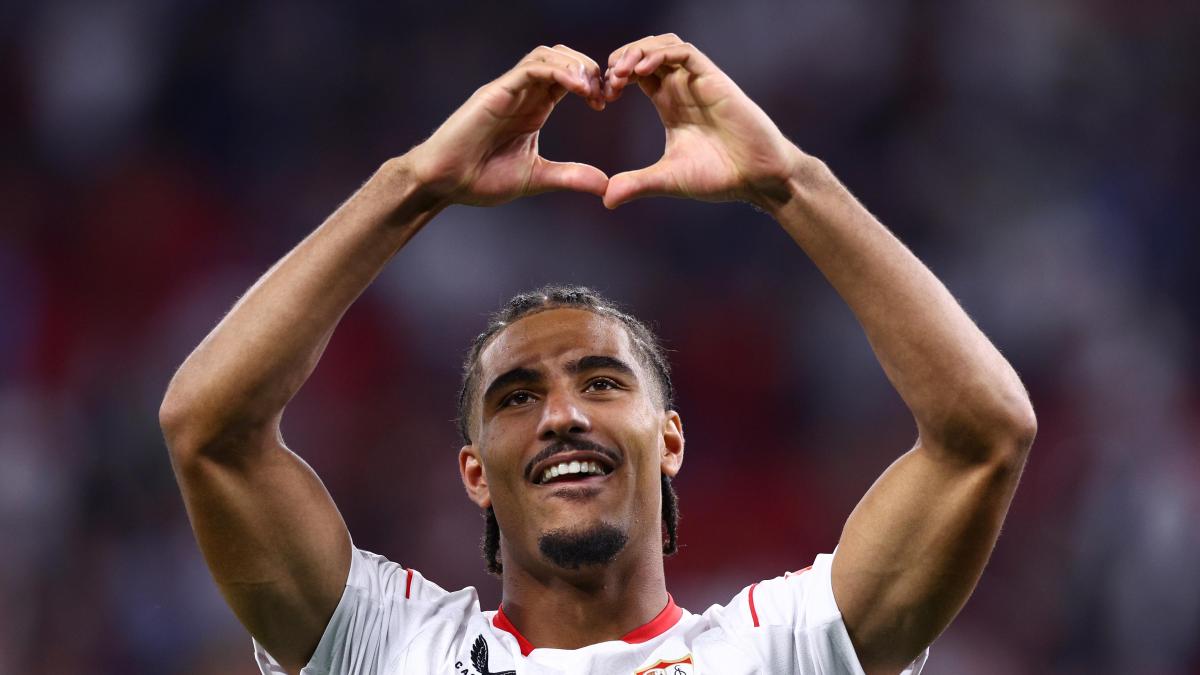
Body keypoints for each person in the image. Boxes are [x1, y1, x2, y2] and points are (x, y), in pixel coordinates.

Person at [160, 34, 1036, 675]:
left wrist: (790, 183)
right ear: (472, 471)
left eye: (603, 381)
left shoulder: (782, 651)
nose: (563, 414)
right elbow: (208, 428)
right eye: (515, 396)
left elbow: (985, 434)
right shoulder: (388, 647)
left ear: (671, 441)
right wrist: (413, 184)